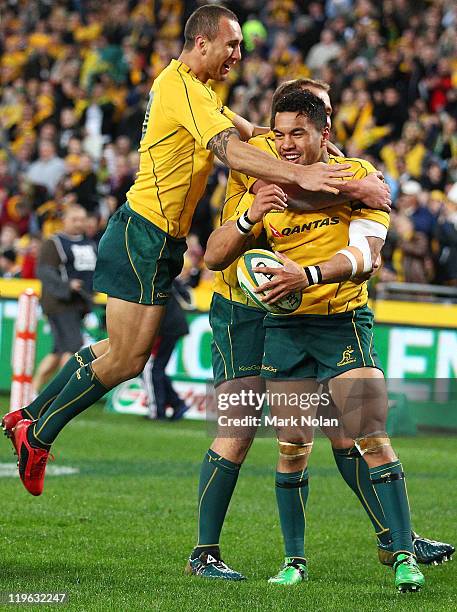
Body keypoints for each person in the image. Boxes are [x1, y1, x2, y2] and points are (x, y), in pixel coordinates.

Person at [3, 5, 361, 496]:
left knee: (117, 351)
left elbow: (247, 132)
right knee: (128, 360)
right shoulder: (182, 88)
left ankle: (29, 415)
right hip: (143, 232)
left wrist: (311, 144)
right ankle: (38, 433)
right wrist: (301, 173)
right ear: (202, 43)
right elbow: (228, 149)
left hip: (159, 239)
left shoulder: (200, 89)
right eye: (232, 44)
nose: (239, 53)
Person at [186, 79, 453, 582]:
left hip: (321, 312)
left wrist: (361, 187)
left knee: (350, 429)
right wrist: (254, 214)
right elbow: (217, 252)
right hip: (242, 306)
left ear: (325, 124)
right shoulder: (263, 154)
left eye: (309, 124)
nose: (289, 141)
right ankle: (210, 551)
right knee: (245, 429)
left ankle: (395, 541)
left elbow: (365, 240)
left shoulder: (344, 165)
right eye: (282, 129)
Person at [32, 204, 97, 396]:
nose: (79, 224)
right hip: (59, 303)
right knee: (72, 346)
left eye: (82, 219)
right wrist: (67, 285)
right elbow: (44, 271)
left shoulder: (90, 243)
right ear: (64, 220)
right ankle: (59, 394)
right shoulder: (54, 242)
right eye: (74, 219)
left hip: (79, 303)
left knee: (59, 351)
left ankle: (34, 390)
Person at [142, 281, 189, 420]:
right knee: (157, 368)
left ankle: (157, 410)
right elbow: (185, 294)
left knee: (151, 368)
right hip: (173, 325)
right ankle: (176, 403)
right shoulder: (162, 275)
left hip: (165, 326)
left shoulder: (149, 278)